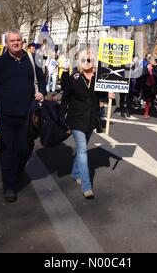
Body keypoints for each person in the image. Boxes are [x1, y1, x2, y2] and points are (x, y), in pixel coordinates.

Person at [0, 29, 47, 203]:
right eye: (12, 40)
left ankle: (17, 172)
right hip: (5, 116)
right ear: (7, 43)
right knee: (7, 152)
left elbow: (42, 79)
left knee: (25, 149)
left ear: (23, 41)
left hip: (27, 115)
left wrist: (42, 91)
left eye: (18, 40)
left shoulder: (33, 60)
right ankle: (9, 186)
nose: (16, 43)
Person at [61, 48, 115, 199]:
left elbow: (101, 95)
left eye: (89, 59)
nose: (86, 62)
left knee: (81, 150)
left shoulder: (99, 78)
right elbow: (65, 99)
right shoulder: (74, 78)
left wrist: (109, 95)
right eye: (83, 59)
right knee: (83, 150)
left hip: (91, 120)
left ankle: (75, 172)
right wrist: (61, 119)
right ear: (79, 62)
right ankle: (87, 186)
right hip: (76, 119)